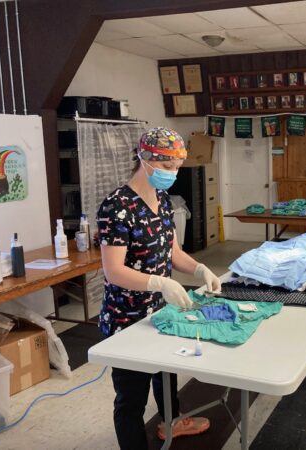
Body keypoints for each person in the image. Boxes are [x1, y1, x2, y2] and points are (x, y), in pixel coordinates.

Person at [97, 127, 222, 450]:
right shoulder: (117, 206)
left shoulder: (163, 201)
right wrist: (158, 281)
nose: (173, 174)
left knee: (165, 373)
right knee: (131, 397)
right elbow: (114, 271)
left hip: (160, 312)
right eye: (167, 167)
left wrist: (199, 268)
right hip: (127, 318)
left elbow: (173, 252)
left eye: (177, 167)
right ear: (145, 159)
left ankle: (171, 422)